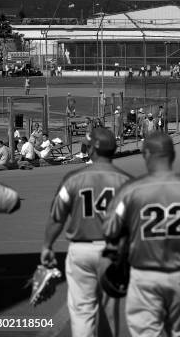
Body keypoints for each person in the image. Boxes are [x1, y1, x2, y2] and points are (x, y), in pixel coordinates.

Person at [105, 132, 180, 337]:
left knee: (146, 332)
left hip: (144, 275)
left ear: (146, 154)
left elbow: (110, 230)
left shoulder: (131, 190)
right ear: (172, 155)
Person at [41, 128, 131, 337]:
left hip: (81, 251)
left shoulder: (74, 178)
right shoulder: (126, 180)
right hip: (113, 252)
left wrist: (47, 246)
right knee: (109, 312)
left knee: (83, 313)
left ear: (91, 150)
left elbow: (57, 217)